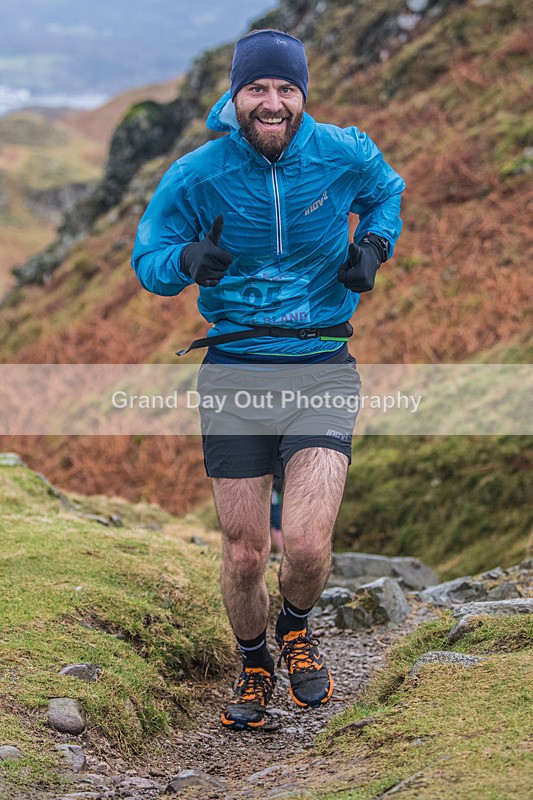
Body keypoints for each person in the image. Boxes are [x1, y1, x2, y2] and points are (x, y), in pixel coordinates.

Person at [132, 28, 405, 731]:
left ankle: (296, 626)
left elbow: (386, 193)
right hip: (234, 374)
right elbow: (149, 256)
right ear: (235, 95)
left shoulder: (342, 151)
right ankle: (254, 663)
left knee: (307, 547)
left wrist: (373, 246)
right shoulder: (197, 173)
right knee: (246, 552)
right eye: (258, 88)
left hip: (318, 366)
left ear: (301, 95)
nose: (273, 101)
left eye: (286, 88)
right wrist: (187, 259)